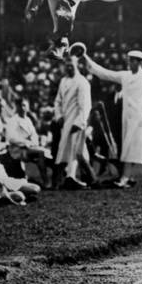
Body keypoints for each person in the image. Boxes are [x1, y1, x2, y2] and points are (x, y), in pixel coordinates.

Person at [84, 49, 142, 187]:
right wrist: (85, 57)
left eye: (132, 60)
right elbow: (104, 73)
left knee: (131, 147)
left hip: (141, 118)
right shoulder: (124, 76)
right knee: (141, 148)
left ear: (140, 62)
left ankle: (124, 178)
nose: (129, 63)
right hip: (128, 119)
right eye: (129, 60)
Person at [54, 54, 92, 189]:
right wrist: (58, 116)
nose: (68, 66)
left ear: (78, 64)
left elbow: (85, 105)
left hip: (76, 121)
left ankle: (72, 177)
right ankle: (86, 177)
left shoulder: (82, 82)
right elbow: (57, 101)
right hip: (65, 121)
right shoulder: (63, 81)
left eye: (71, 63)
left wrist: (79, 122)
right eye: (66, 63)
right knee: (70, 150)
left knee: (75, 150)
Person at [5, 97, 51, 188]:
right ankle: (46, 181)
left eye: (24, 105)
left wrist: (35, 142)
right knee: (41, 153)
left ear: (28, 107)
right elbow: (10, 138)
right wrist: (26, 142)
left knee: (46, 153)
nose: (22, 108)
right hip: (17, 150)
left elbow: (34, 135)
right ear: (17, 107)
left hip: (29, 148)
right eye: (20, 106)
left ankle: (55, 179)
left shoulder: (28, 120)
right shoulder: (13, 120)